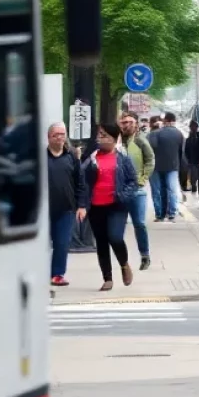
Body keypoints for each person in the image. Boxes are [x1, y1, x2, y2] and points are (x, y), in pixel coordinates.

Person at [82, 123, 138, 291]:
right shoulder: (91, 158)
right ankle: (107, 278)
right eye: (99, 135)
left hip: (116, 205)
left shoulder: (123, 158)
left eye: (105, 135)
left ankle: (124, 264)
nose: (101, 138)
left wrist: (122, 195)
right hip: (96, 205)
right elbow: (83, 183)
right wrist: (82, 205)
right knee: (101, 242)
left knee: (115, 237)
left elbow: (133, 181)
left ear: (114, 139)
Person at [47, 122, 86, 286]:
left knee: (62, 243)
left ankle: (57, 274)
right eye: (55, 134)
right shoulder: (40, 156)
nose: (59, 138)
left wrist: (82, 205)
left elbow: (80, 183)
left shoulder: (71, 156)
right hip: (44, 210)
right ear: (49, 137)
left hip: (66, 209)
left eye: (62, 134)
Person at [120, 112, 155, 269]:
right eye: (124, 122)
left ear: (135, 124)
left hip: (137, 189)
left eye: (129, 122)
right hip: (120, 190)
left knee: (139, 223)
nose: (126, 124)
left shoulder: (140, 140)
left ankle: (145, 255)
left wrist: (143, 178)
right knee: (117, 226)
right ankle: (122, 260)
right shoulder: (117, 140)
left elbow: (150, 159)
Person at [154, 113, 185, 222]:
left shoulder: (157, 133)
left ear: (165, 121)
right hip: (173, 166)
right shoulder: (179, 134)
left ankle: (161, 214)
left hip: (158, 166)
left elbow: (153, 148)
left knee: (161, 190)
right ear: (173, 121)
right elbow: (182, 152)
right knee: (172, 190)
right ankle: (172, 213)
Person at [146, 115, 165, 221]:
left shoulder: (150, 135)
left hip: (153, 166)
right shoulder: (165, 134)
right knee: (164, 189)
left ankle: (159, 213)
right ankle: (165, 212)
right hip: (167, 166)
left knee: (156, 190)